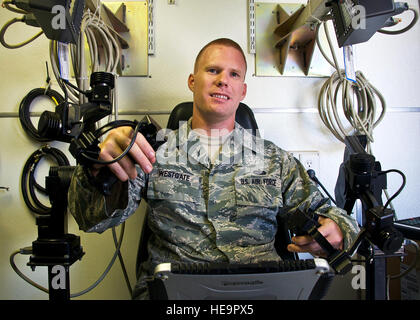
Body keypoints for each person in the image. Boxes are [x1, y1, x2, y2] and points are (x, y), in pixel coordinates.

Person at [68, 38, 359, 299]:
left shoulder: (274, 160)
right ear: (192, 81)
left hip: (261, 293)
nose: (223, 80)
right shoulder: (151, 150)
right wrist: (99, 170)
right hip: (176, 294)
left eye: (234, 74)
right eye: (213, 70)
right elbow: (91, 219)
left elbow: (334, 217)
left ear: (242, 90)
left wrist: (337, 231)